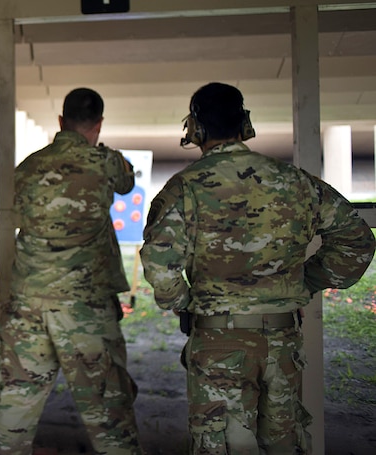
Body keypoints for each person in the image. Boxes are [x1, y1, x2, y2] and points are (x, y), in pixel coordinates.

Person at [140, 82, 376, 454]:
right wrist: (307, 281)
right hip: (282, 344)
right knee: (285, 443)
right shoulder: (296, 181)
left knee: (220, 445)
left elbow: (159, 263)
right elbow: (357, 242)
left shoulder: (182, 189)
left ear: (195, 129)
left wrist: (186, 302)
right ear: (245, 124)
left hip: (218, 344)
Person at [0, 88, 144, 455]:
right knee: (110, 420)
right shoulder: (106, 163)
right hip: (85, 309)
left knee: (13, 415)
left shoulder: (29, 166)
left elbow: (14, 210)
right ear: (99, 124)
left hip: (28, 306)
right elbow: (127, 183)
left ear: (60, 121)